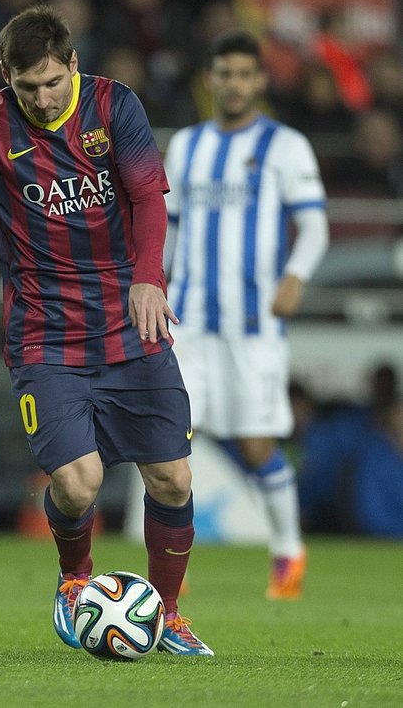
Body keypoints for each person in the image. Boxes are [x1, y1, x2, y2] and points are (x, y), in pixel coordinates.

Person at [0, 4, 213, 656]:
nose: (42, 99)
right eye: (27, 87)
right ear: (5, 75)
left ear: (73, 64)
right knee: (77, 482)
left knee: (174, 480)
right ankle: (74, 581)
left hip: (132, 320)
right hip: (46, 332)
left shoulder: (113, 105)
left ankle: (171, 614)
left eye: (53, 83)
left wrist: (149, 277)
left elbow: (149, 196)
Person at [163, 30, 329, 600]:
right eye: (224, 73)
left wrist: (294, 277)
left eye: (244, 74)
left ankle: (288, 551)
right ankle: (168, 579)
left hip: (253, 325)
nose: (233, 84)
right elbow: (171, 227)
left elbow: (315, 225)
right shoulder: (185, 145)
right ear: (210, 79)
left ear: (259, 81)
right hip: (186, 323)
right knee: (169, 443)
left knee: (258, 446)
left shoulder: (286, 146)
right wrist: (150, 285)